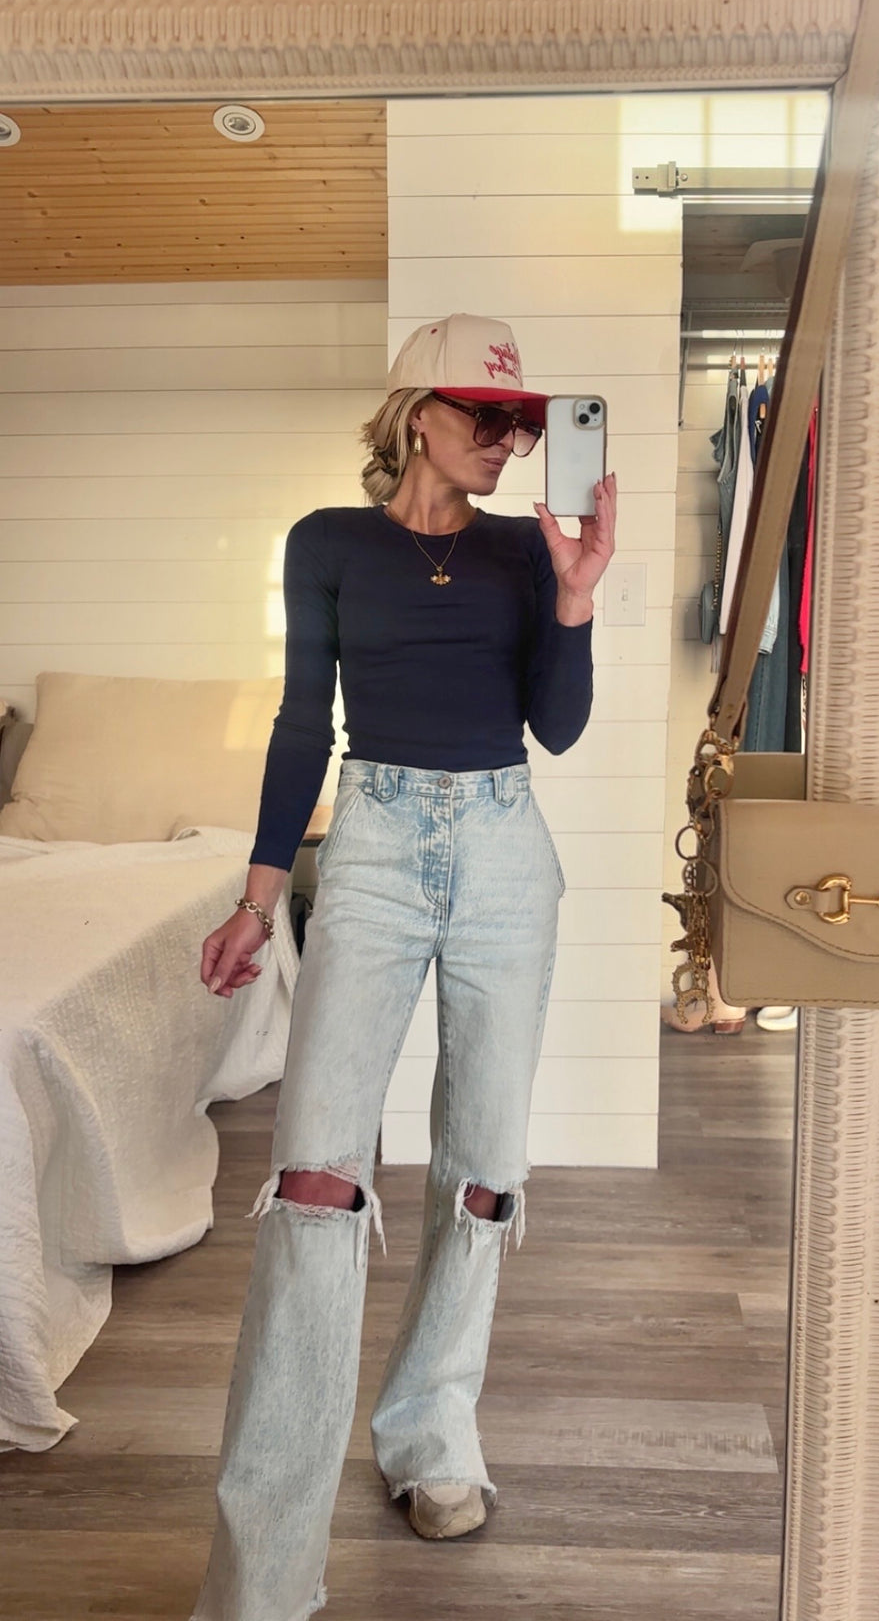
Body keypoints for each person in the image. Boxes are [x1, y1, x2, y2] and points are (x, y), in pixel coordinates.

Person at [191, 313, 617, 1621]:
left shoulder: (523, 548)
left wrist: (575, 597)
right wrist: (261, 893)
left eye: (522, 425)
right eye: (484, 416)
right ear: (416, 413)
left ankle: (431, 1431)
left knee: (483, 1171)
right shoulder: (327, 542)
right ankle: (264, 1576)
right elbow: (298, 720)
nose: (507, 441)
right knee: (316, 1181)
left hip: (503, 851)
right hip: (372, 847)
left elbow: (555, 727)